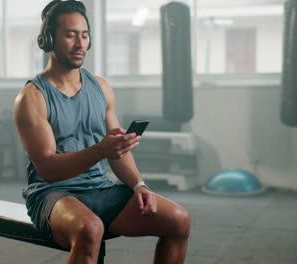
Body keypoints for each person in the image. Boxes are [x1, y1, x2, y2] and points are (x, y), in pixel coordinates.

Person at [13, 1, 190, 263]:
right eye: (70, 34)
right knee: (90, 229)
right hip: (52, 194)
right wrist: (100, 150)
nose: (80, 43)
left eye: (84, 35)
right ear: (49, 39)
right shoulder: (32, 98)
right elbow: (48, 169)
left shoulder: (102, 88)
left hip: (99, 189)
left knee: (179, 220)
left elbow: (115, 150)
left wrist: (139, 185)